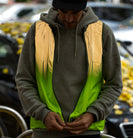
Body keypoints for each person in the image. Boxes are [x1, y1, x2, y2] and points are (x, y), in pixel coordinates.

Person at [15, 0, 123, 137]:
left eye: (75, 13)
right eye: (63, 12)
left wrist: (93, 114)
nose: (69, 19)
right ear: (55, 8)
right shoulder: (38, 31)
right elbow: (24, 79)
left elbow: (114, 84)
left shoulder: (102, 33)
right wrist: (43, 113)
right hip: (45, 130)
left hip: (87, 131)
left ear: (83, 9)